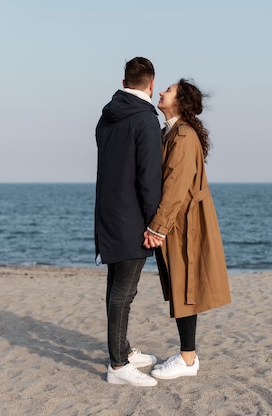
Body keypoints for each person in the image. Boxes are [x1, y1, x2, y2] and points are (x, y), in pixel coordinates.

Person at [143, 79, 232, 380]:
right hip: (180, 219)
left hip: (185, 221)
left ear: (179, 102)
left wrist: (157, 228)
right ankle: (187, 354)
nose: (162, 93)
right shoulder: (170, 132)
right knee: (183, 286)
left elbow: (176, 188)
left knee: (185, 287)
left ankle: (188, 359)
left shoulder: (182, 136)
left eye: (168, 90)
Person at [94, 57, 163, 387]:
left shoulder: (107, 116)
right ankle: (118, 366)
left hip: (107, 212)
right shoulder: (146, 120)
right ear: (151, 84)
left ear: (124, 83)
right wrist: (155, 225)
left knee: (115, 287)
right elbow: (148, 178)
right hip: (133, 217)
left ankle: (122, 350)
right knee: (124, 292)